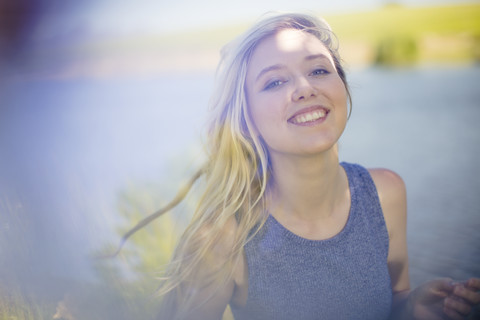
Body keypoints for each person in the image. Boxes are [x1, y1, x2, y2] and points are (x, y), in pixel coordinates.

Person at [120, 12, 480, 320]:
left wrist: (413, 305)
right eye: (275, 81)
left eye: (320, 70)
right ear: (246, 121)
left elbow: (394, 297)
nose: (305, 88)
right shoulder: (224, 238)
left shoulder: (386, 193)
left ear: (343, 87)